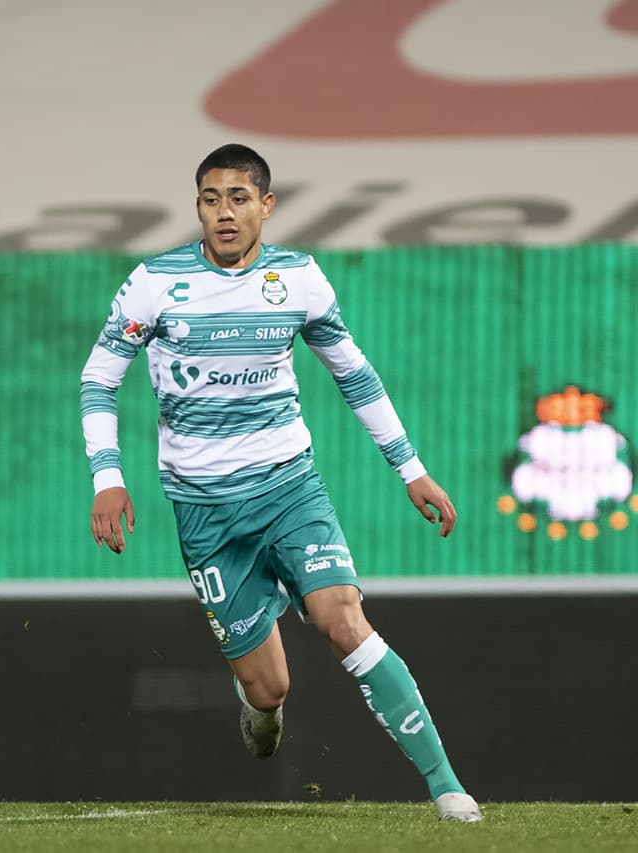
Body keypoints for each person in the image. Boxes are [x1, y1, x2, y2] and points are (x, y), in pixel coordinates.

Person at [79, 144, 482, 822]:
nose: (224, 212)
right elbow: (99, 377)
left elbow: (353, 373)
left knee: (343, 621)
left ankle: (447, 787)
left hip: (289, 488)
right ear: (199, 206)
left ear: (266, 205)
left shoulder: (298, 280)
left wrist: (410, 468)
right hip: (204, 514)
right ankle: (261, 706)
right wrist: (107, 477)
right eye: (211, 198)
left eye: (239, 198)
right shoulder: (154, 282)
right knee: (268, 688)